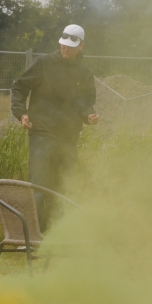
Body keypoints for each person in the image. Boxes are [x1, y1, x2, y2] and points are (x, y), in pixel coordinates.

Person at [10, 24, 99, 232]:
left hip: (69, 138)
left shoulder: (85, 73)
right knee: (39, 186)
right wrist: (22, 114)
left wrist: (89, 115)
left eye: (70, 46)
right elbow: (19, 88)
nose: (65, 48)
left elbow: (85, 103)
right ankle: (32, 237)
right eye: (63, 44)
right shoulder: (44, 63)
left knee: (63, 189)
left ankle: (54, 236)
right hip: (42, 134)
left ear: (81, 46)